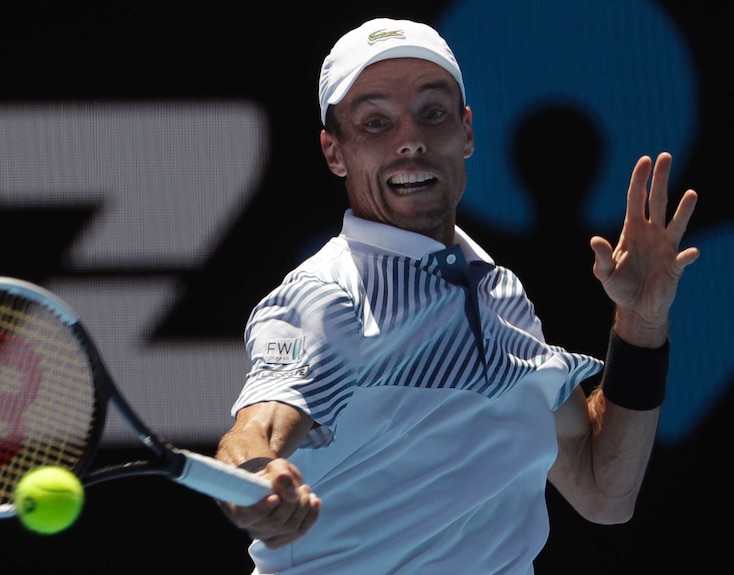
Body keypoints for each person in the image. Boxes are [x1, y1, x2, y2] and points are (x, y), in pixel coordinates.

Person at [214, 17, 700, 574]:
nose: (411, 138)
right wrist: (257, 478)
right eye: (375, 123)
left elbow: (604, 492)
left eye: (433, 112)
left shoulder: (502, 297)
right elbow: (258, 429)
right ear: (335, 152)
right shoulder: (324, 297)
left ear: (466, 132)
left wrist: (640, 322)